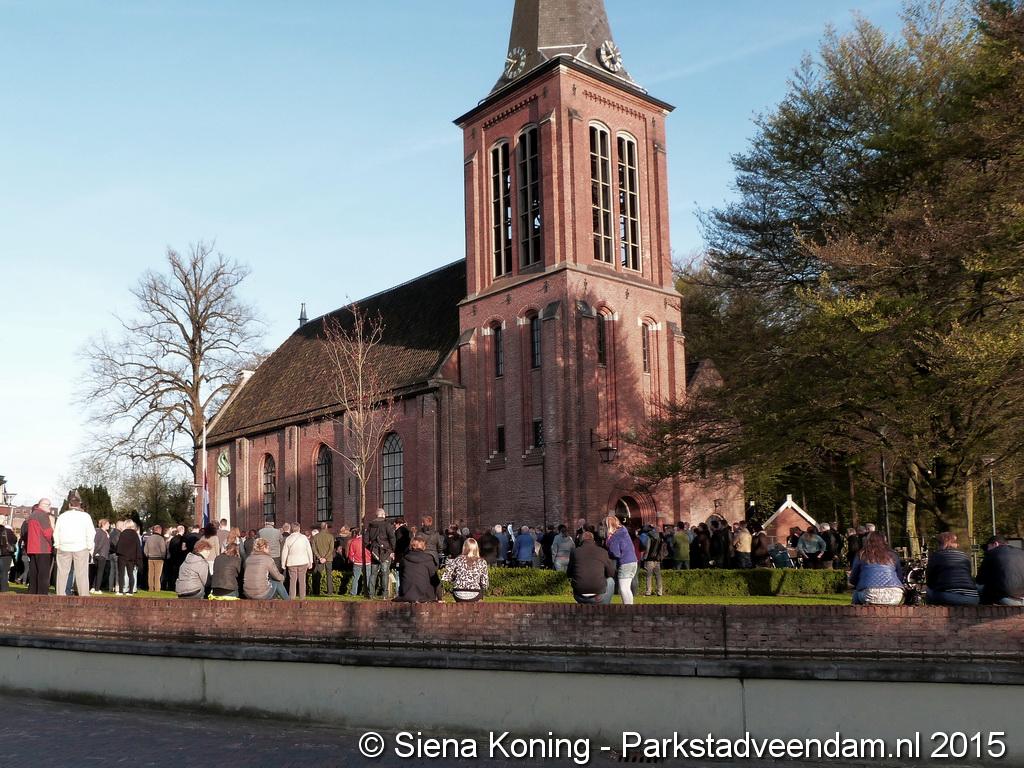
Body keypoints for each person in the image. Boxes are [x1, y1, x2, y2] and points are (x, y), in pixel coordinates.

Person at [53, 491, 95, 597]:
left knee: (62, 573)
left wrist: (57, 545)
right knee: (82, 574)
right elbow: (91, 533)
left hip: (64, 547)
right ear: (79, 504)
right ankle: (84, 596)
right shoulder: (85, 516)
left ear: (69, 504)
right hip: (81, 547)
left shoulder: (62, 516)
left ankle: (60, 595)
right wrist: (89, 547)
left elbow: (56, 532)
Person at [848, 532, 904, 605]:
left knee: (856, 593)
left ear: (867, 541)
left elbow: (853, 579)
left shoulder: (861, 554)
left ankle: (855, 612)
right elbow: (900, 577)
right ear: (884, 541)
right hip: (895, 594)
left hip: (870, 594)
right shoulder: (892, 555)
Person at [925, 532, 979, 606]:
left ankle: (935, 613)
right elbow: (969, 574)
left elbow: (929, 579)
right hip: (973, 597)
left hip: (949, 597)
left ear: (941, 544)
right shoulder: (965, 556)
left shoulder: (937, 555)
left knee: (928, 591)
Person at [567, 531, 615, 604]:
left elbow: (569, 573)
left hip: (579, 595)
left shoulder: (575, 552)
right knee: (611, 581)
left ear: (581, 540)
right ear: (593, 540)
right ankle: (605, 608)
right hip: (598, 596)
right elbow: (611, 573)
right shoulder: (603, 552)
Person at [976, 535, 1024, 606]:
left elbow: (980, 580)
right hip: (1022, 598)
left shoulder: (991, 553)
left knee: (977, 587)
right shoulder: (1022, 552)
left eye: (988, 547)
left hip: (1007, 599)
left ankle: (984, 611)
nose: (987, 550)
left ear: (995, 544)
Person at [394, 534, 440, 603]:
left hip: (406, 595)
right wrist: (439, 597)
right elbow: (435, 580)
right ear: (424, 547)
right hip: (425, 596)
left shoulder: (404, 559)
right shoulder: (429, 559)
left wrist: (401, 594)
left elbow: (401, 578)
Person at [604, 515, 638, 604]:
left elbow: (615, 552)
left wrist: (609, 541)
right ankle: (630, 607)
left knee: (623, 588)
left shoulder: (616, 535)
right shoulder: (623, 531)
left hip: (625, 562)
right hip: (633, 561)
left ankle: (627, 608)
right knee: (627, 588)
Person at [365, 509, 397, 598]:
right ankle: (384, 594)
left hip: (374, 551)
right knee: (385, 573)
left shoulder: (371, 525)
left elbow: (365, 541)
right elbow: (392, 538)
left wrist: (371, 548)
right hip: (385, 552)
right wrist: (392, 550)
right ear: (383, 515)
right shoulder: (387, 524)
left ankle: (371, 594)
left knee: (373, 573)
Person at [25, 499, 54, 595]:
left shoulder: (32, 515)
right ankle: (42, 594)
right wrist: (52, 527)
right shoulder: (43, 515)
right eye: (48, 505)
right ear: (42, 505)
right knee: (43, 573)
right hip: (43, 548)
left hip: (32, 547)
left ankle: (32, 592)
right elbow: (47, 533)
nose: (50, 507)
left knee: (34, 571)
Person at [281, 521, 313, 599]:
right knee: (302, 580)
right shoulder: (304, 538)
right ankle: (302, 597)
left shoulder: (288, 538)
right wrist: (311, 561)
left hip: (292, 562)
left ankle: (292, 597)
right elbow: (309, 550)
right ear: (299, 528)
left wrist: (283, 563)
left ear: (292, 529)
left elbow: (284, 552)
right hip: (303, 561)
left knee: (292, 580)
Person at [115, 521, 143, 595]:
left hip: (122, 556)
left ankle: (121, 591)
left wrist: (118, 552)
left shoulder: (123, 533)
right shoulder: (135, 534)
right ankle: (131, 591)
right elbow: (138, 546)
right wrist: (138, 558)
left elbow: (119, 545)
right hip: (131, 557)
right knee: (130, 574)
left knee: (121, 574)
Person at [311, 523, 336, 596]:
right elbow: (331, 549)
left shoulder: (316, 536)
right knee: (329, 575)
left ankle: (316, 592)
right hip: (328, 559)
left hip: (319, 559)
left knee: (317, 575)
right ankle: (330, 591)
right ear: (326, 527)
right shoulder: (330, 536)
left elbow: (314, 548)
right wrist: (325, 557)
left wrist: (319, 557)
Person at [347, 528, 372, 596]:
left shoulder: (354, 541)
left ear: (358, 533)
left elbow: (351, 553)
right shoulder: (369, 541)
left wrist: (353, 560)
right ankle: (367, 592)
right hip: (367, 562)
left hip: (357, 562)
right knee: (367, 578)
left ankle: (353, 592)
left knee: (355, 578)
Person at [143, 524, 167, 592]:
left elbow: (145, 549)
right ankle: (157, 588)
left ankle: (150, 588)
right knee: (157, 575)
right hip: (159, 558)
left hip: (150, 558)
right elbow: (163, 549)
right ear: (159, 530)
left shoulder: (149, 538)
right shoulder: (161, 539)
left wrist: (147, 555)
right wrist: (163, 556)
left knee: (150, 574)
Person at [642, 526, 666, 596]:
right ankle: (659, 592)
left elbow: (647, 548)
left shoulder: (649, 537)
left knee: (649, 576)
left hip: (649, 559)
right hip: (657, 559)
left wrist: (644, 558)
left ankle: (648, 591)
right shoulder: (660, 537)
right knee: (658, 576)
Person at [91, 519, 110, 594]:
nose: (109, 525)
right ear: (103, 524)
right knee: (100, 572)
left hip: (99, 554)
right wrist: (95, 553)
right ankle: (97, 589)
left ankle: (93, 587)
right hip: (101, 555)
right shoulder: (102, 532)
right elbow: (99, 544)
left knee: (97, 572)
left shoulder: (102, 532)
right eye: (107, 524)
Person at [0, 519, 15, 592]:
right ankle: (4, 588)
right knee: (5, 572)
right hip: (6, 553)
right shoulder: (8, 531)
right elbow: (15, 540)